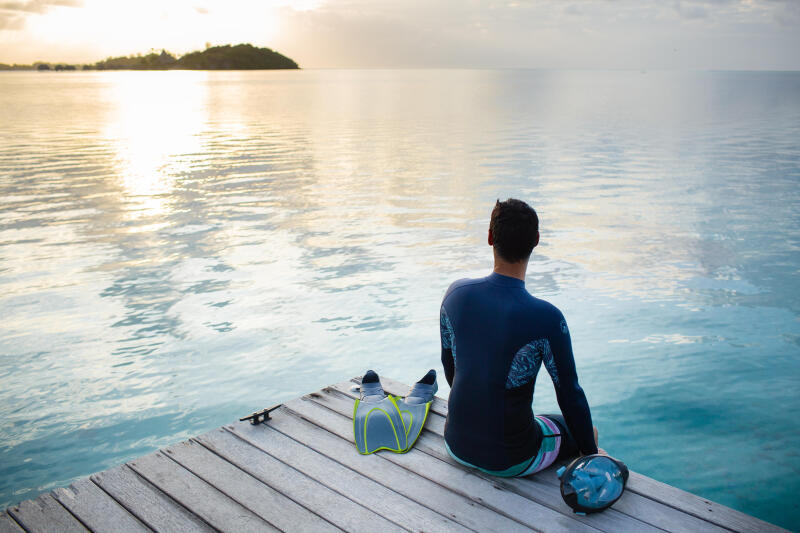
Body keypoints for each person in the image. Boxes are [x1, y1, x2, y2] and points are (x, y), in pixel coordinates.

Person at [440, 198, 600, 477]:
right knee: (590, 432)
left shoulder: (455, 295)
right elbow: (570, 395)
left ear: (490, 237)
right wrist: (591, 454)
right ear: (536, 241)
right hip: (511, 459)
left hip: (454, 443)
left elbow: (450, 369)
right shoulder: (546, 318)